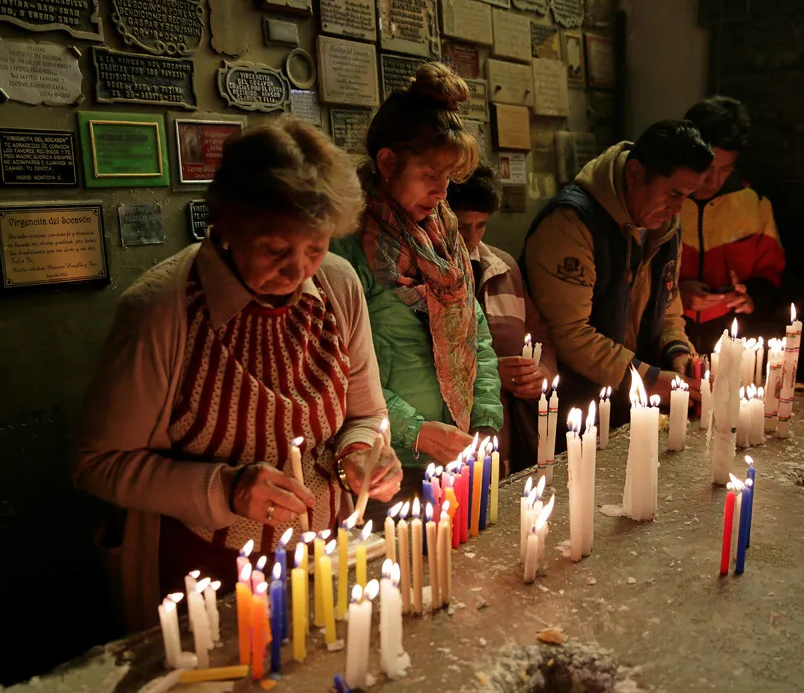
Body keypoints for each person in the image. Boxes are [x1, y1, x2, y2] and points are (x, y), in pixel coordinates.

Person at [73, 118, 402, 632]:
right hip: (202, 579)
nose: (298, 272)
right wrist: (224, 489)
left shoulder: (338, 286)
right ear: (226, 221)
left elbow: (366, 413)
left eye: (314, 249)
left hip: (323, 558)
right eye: (275, 250)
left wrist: (361, 453)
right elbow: (96, 463)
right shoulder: (161, 311)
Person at [331, 62, 503, 498]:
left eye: (448, 178)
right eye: (430, 176)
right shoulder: (346, 248)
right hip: (385, 462)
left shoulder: (444, 236)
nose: (443, 193)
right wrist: (415, 431)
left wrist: (483, 419)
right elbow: (337, 370)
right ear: (388, 162)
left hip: (455, 451)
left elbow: (474, 334)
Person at [522, 120, 712, 427]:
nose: (677, 209)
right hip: (574, 412)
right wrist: (649, 379)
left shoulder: (664, 228)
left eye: (686, 197)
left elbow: (670, 312)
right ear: (635, 174)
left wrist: (679, 355)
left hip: (633, 407)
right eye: (673, 193)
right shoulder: (571, 223)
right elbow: (569, 332)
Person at [447, 165, 557, 473]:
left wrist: (540, 374)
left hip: (508, 439)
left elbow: (541, 337)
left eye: (480, 226)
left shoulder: (503, 268)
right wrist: (492, 374)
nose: (471, 239)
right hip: (454, 442)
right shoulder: (426, 277)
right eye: (460, 227)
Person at [677, 96, 786, 353]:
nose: (713, 180)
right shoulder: (661, 201)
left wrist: (751, 299)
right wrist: (675, 295)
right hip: (667, 338)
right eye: (706, 167)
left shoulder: (754, 205)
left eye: (725, 169)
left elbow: (773, 279)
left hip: (734, 341)